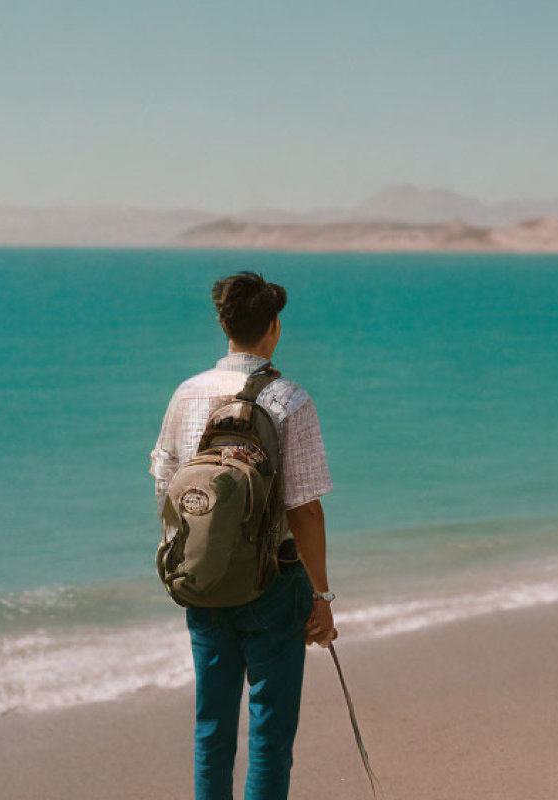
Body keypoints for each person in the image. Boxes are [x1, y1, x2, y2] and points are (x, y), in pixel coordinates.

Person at [149, 270, 337, 800]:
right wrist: (320, 596)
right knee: (270, 735)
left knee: (211, 730)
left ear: (222, 324)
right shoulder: (289, 399)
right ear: (274, 327)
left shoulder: (186, 395)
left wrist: (192, 561)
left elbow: (166, 489)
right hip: (274, 584)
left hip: (203, 584)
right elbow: (305, 511)